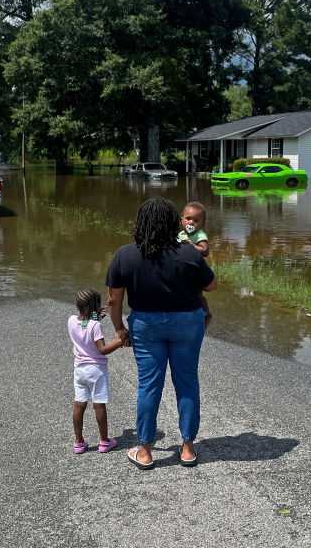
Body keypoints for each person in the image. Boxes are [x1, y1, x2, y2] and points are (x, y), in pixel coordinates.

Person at [106, 197, 217, 470]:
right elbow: (212, 285)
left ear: (140, 223)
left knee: (149, 385)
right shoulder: (190, 253)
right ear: (172, 224)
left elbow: (114, 300)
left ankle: (144, 450)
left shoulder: (125, 254)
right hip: (187, 324)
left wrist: (119, 328)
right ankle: (188, 448)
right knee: (187, 382)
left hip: (146, 325)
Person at [68, 289, 124, 454]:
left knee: (79, 404)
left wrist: (94, 316)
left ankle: (79, 442)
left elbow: (83, 325)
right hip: (96, 371)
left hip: (79, 370)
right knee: (99, 405)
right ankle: (104, 442)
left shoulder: (71, 320)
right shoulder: (96, 325)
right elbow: (102, 350)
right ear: (95, 307)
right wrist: (119, 341)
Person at [178, 201, 212, 328]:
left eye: (196, 220)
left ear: (202, 224)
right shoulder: (181, 234)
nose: (191, 222)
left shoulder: (199, 234)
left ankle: (204, 317)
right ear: (181, 220)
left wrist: (191, 245)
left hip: (196, 271)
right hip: (183, 270)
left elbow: (205, 250)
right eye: (188, 219)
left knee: (197, 295)